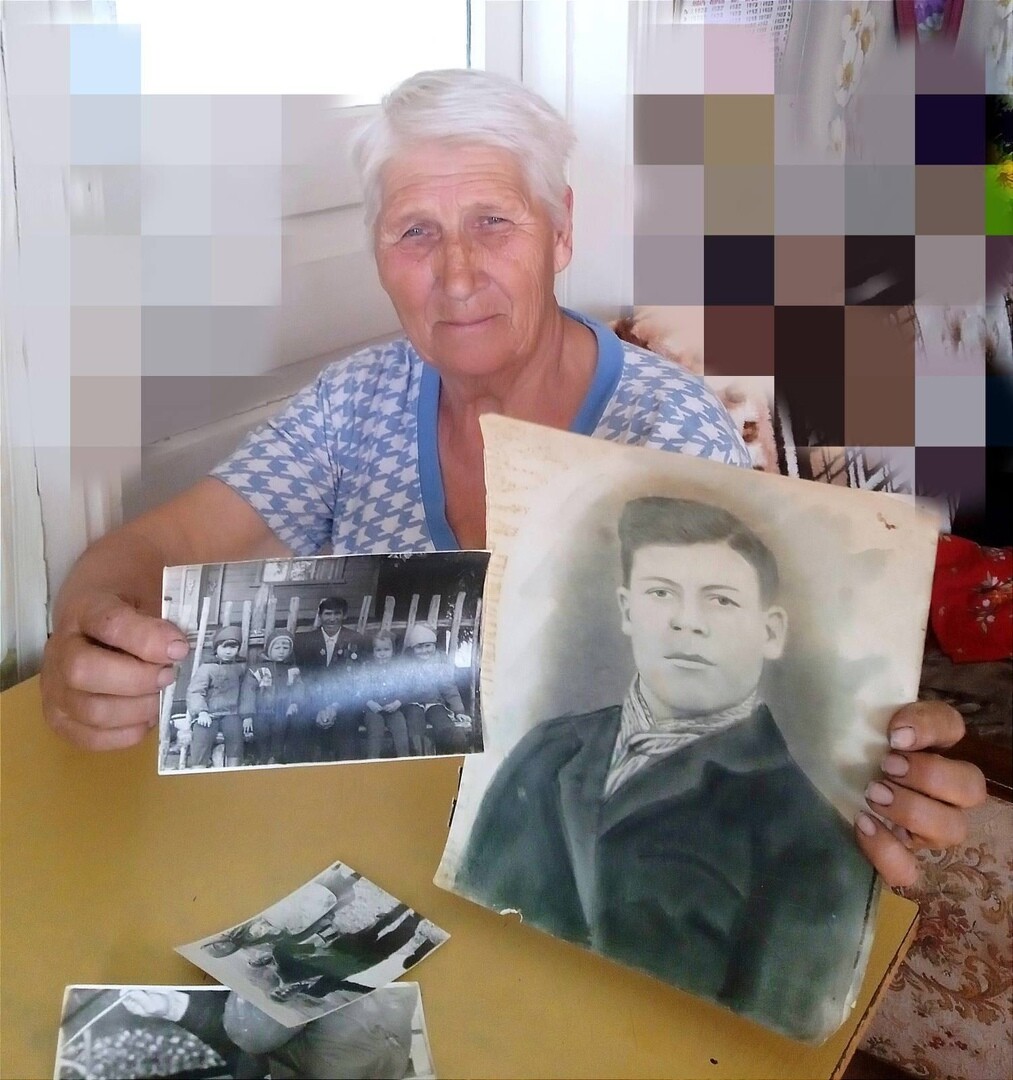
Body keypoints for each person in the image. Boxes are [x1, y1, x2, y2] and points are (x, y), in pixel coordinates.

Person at [40, 67, 985, 889]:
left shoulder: (664, 433)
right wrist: (91, 620)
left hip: (582, 875)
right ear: (378, 255)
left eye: (492, 222)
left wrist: (867, 776)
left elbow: (753, 711)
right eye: (415, 231)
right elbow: (158, 547)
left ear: (559, 232)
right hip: (357, 856)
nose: (456, 276)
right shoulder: (354, 402)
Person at [454, 497, 895, 1040]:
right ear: (627, 610)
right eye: (661, 593)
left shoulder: (813, 843)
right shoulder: (548, 750)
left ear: (771, 631)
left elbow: (759, 1049)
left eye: (721, 600)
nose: (687, 622)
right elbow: (467, 911)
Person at [293, 597, 367, 761]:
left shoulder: (356, 639)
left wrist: (334, 707)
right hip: (312, 701)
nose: (332, 619)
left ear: (344, 615)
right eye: (327, 614)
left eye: (337, 614)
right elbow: (304, 678)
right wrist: (319, 708)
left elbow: (355, 680)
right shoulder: (304, 641)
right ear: (320, 616)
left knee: (347, 723)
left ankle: (347, 770)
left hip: (344, 702)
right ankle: (304, 770)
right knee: (301, 722)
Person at [401, 624, 473, 755]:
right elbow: (402, 687)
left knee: (442, 722)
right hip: (413, 703)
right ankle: (419, 755)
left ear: (434, 645)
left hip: (434, 703)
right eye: (419, 647)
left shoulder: (440, 661)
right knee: (415, 724)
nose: (424, 650)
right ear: (412, 648)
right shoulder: (406, 663)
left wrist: (458, 711)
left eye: (428, 646)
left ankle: (451, 749)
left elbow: (448, 686)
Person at [238, 629, 304, 765]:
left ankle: (276, 759)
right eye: (277, 648)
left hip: (282, 711)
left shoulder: (292, 670)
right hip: (261, 711)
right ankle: (263, 759)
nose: (281, 651)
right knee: (262, 735)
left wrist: (295, 703)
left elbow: (299, 687)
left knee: (280, 734)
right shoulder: (257, 670)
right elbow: (248, 692)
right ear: (269, 649)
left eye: (285, 648)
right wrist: (247, 716)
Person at [186, 626, 246, 769]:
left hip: (231, 713)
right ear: (216, 647)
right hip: (209, 713)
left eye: (233, 647)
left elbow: (246, 691)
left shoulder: (240, 667)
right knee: (202, 733)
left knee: (235, 733)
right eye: (224, 647)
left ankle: (233, 768)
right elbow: (195, 691)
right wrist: (201, 711)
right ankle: (198, 767)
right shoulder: (207, 668)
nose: (228, 651)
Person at [362, 631, 412, 759]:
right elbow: (359, 689)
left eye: (386, 650)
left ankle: (403, 760)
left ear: (393, 651)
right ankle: (372, 761)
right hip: (373, 710)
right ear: (373, 652)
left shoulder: (398, 669)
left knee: (400, 727)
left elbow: (406, 688)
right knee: (375, 729)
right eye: (378, 650)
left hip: (393, 708)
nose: (382, 654)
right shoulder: (367, 668)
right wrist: (369, 702)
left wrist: (397, 702)